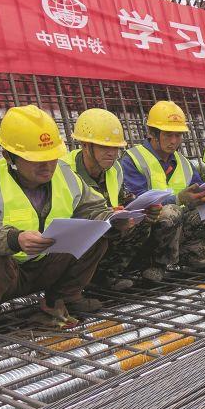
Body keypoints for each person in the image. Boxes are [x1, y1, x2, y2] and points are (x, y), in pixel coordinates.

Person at [0, 105, 132, 340]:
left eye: (51, 157)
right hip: (2, 271)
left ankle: (60, 299)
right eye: (36, 159)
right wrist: (13, 239)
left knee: (95, 237)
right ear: (9, 156)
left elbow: (92, 208)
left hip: (42, 264)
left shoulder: (64, 174)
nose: (47, 165)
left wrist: (111, 220)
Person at [121, 100, 205, 281]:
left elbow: (196, 188)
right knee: (170, 212)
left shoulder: (183, 162)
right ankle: (156, 264)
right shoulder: (133, 159)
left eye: (178, 135)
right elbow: (136, 202)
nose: (174, 141)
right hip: (148, 228)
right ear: (153, 134)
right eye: (168, 135)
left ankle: (191, 254)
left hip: (177, 224)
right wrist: (179, 199)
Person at [62, 108, 161, 290]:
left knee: (142, 223)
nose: (111, 153)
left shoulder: (114, 169)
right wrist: (106, 216)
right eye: (104, 147)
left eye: (115, 148)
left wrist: (142, 208)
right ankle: (72, 287)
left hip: (106, 230)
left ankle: (105, 276)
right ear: (85, 145)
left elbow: (124, 198)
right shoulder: (64, 171)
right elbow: (62, 218)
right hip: (75, 241)